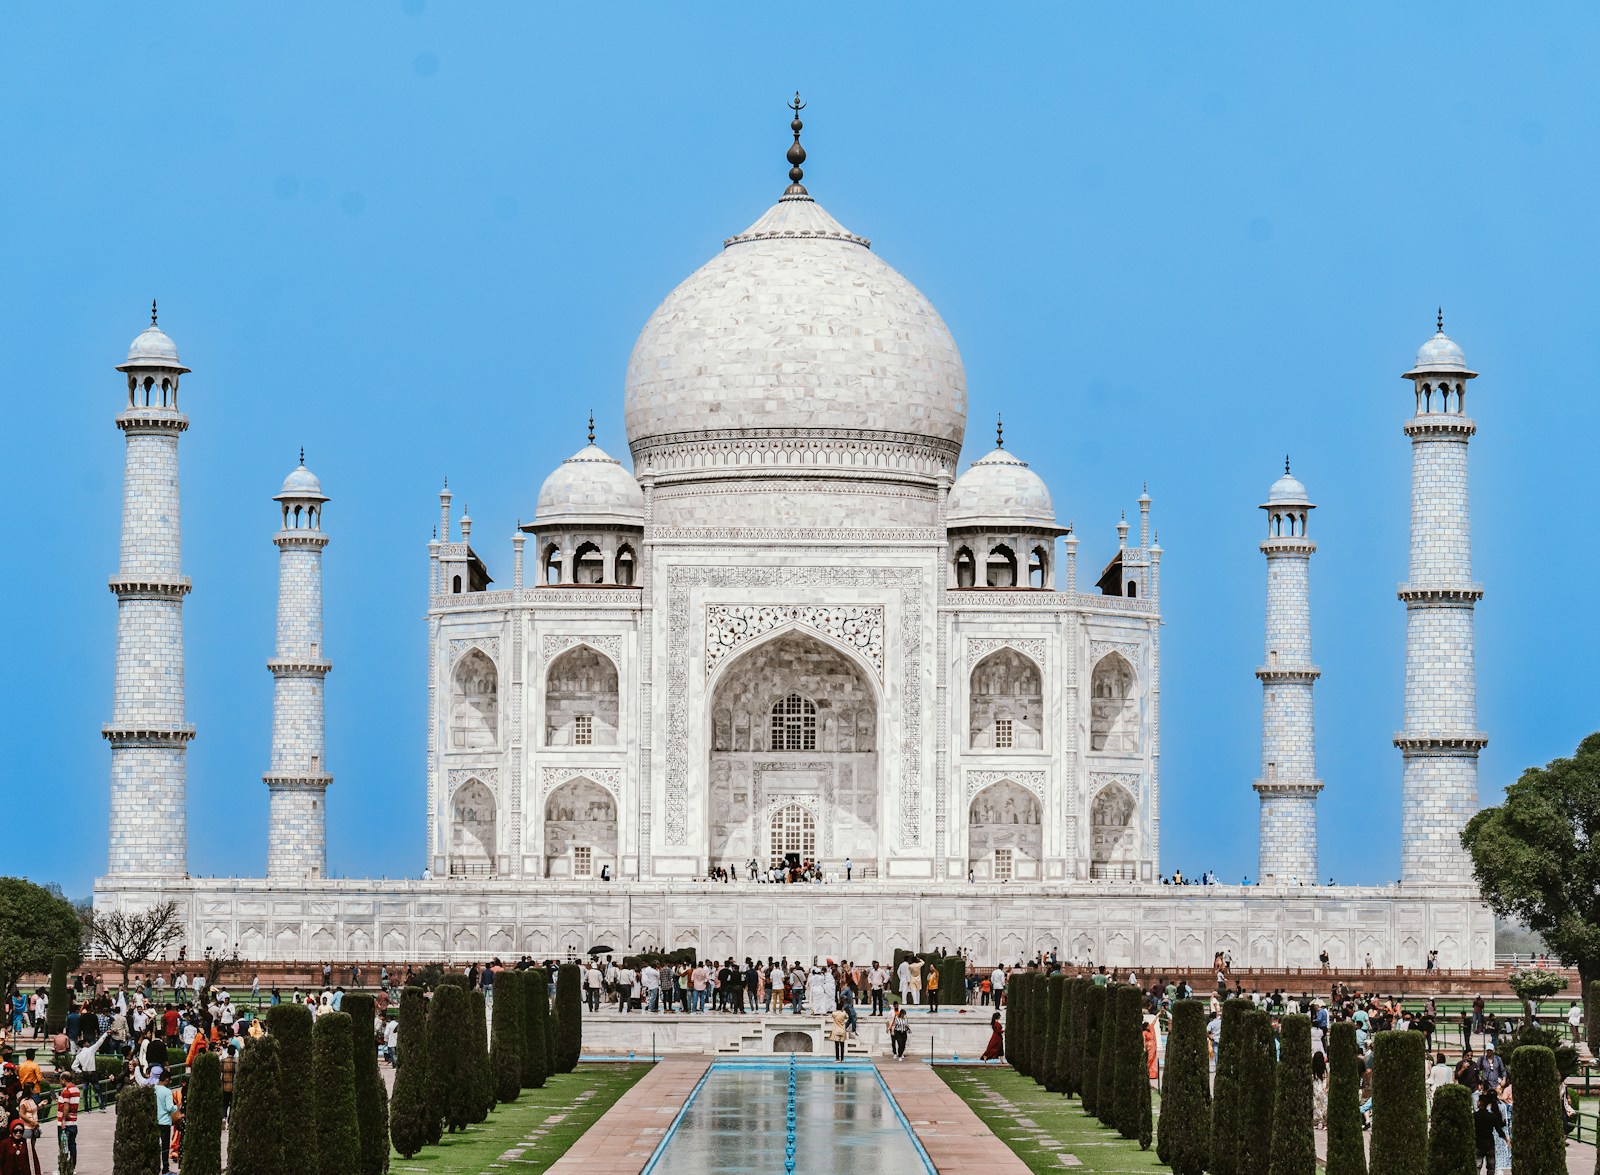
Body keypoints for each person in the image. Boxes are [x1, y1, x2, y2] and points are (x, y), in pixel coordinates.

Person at [1472, 1080, 1506, 1175]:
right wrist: (1506, 1139)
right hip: (1491, 1142)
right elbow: (1502, 1125)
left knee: (1477, 1165)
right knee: (1491, 1166)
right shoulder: (1497, 1110)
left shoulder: (1476, 1115)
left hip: (1479, 1142)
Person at [55, 1075, 80, 1172]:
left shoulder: (66, 1091)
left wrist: (63, 1120)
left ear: (64, 1079)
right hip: (74, 1122)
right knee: (72, 1145)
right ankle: (72, 1167)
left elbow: (66, 1106)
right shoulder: (76, 1089)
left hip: (65, 1124)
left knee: (63, 1146)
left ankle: (63, 1167)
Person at [154, 1070, 176, 1174]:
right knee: (165, 1147)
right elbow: (169, 1107)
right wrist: (177, 1107)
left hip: (156, 1121)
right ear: (166, 1080)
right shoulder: (167, 1092)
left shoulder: (154, 1089)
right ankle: (165, 1168)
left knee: (155, 1145)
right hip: (165, 1122)